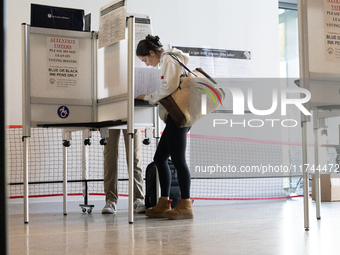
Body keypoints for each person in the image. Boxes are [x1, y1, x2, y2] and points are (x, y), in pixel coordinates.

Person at [136, 35, 193, 220]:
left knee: (178, 160)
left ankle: (185, 205)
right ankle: (163, 202)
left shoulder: (168, 58)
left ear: (152, 52)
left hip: (178, 116)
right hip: (175, 117)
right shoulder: (170, 58)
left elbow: (169, 87)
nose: (146, 64)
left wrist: (147, 97)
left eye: (145, 59)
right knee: (160, 158)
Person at [102, 129, 146, 214]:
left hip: (132, 117)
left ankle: (138, 199)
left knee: (135, 157)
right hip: (110, 117)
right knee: (110, 158)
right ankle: (111, 200)